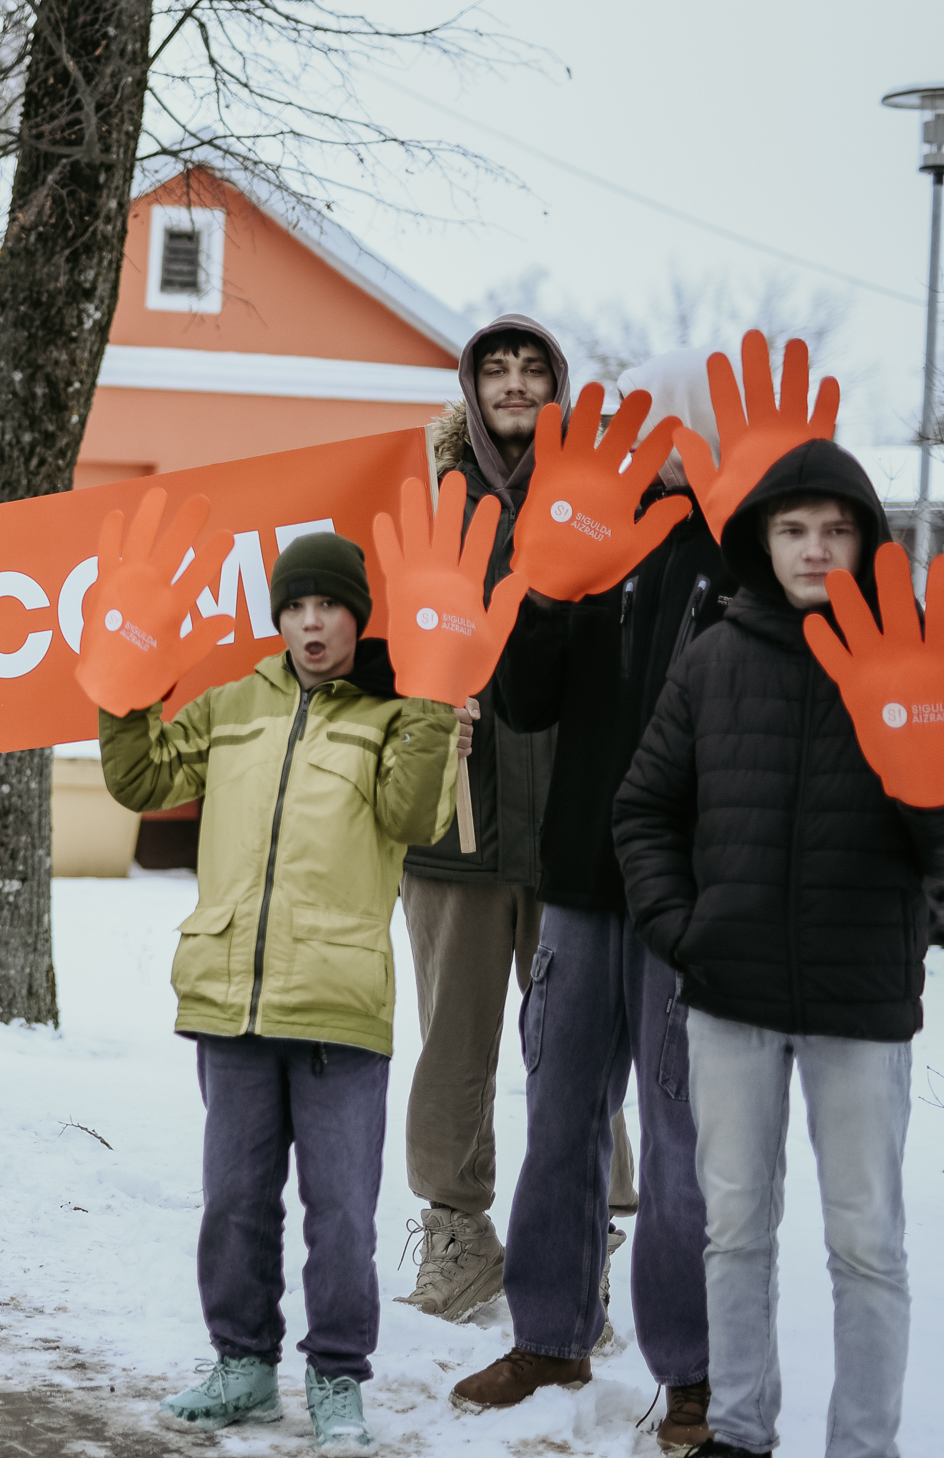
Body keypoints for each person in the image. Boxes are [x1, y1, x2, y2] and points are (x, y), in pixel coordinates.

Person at [97, 532, 462, 1454]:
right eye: (297, 605)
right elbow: (141, 776)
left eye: (330, 605)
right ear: (279, 616)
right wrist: (123, 681)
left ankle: (338, 1375)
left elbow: (415, 817)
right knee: (234, 1200)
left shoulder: (392, 715)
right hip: (232, 996)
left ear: (355, 618)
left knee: (340, 1210)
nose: (312, 620)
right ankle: (244, 1365)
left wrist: (430, 701)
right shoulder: (229, 707)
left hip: (340, 1006)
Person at [616, 440, 941, 1458]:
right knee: (736, 1229)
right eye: (793, 528)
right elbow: (643, 810)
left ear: (863, 538)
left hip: (860, 1001)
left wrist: (914, 908)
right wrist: (683, 931)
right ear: (763, 538)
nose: (813, 547)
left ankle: (862, 1444)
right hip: (730, 995)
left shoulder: (916, 662)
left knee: (867, 1244)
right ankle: (740, 1430)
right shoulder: (714, 654)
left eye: (834, 528)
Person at [456, 348, 723, 1446]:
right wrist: (548, 586)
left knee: (677, 1134)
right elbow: (521, 702)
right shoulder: (588, 528)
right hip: (578, 873)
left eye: (669, 427)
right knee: (560, 1117)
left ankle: (694, 1370)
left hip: (689, 891)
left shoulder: (735, 548)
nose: (651, 446)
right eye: (636, 425)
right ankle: (551, 1333)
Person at [394, 317, 565, 1319]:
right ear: (468, 385)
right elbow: (374, 630)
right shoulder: (424, 490)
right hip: (452, 824)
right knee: (453, 1044)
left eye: (529, 367)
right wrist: (425, 699)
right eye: (494, 367)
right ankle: (457, 1231)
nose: (511, 382)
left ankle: (577, 1230)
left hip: (568, 829)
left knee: (573, 1044)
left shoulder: (594, 501)